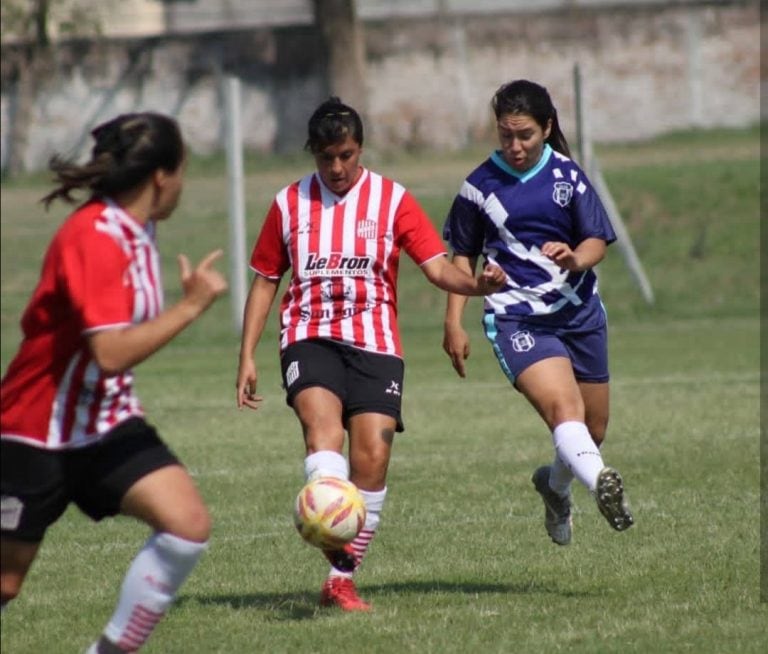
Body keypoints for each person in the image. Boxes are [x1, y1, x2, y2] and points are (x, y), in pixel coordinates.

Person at [236, 97, 505, 611]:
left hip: (376, 342)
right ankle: (322, 512)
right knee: (323, 432)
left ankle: (340, 578)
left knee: (373, 460)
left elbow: (438, 268)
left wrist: (478, 286)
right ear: (313, 154)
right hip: (308, 335)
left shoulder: (392, 200)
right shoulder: (289, 204)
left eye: (346, 155)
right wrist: (247, 354)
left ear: (360, 149)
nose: (337, 168)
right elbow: (266, 280)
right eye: (326, 157)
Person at [0, 112, 228, 653]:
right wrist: (191, 306)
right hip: (36, 429)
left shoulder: (138, 229)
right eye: (183, 171)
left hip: (103, 422)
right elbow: (109, 352)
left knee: (187, 524)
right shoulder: (94, 237)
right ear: (161, 178)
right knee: (5, 583)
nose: (183, 184)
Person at [441, 80, 634, 547]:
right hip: (517, 317)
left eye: (524, 134)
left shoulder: (569, 177)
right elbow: (462, 256)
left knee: (594, 427)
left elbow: (595, 241)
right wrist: (453, 321)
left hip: (579, 312)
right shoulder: (479, 186)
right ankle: (602, 484)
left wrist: (575, 260)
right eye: (505, 135)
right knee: (562, 410)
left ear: (546, 128)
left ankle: (555, 486)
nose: (515, 146)